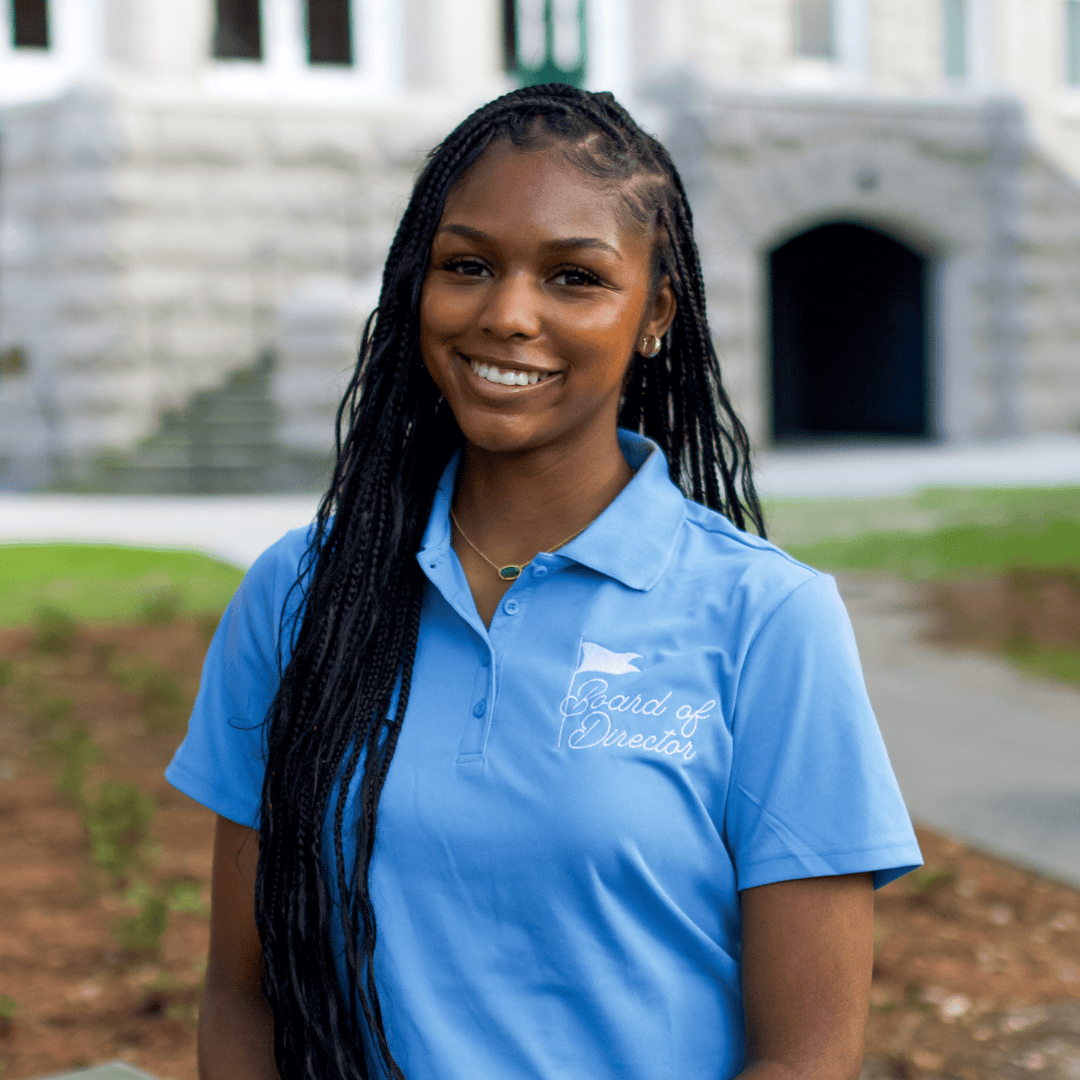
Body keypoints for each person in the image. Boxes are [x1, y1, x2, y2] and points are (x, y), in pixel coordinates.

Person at [167, 84, 922, 1080]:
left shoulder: (767, 619)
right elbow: (240, 998)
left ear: (656, 312)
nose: (508, 314)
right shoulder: (301, 595)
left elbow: (809, 1056)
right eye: (467, 266)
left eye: (574, 277)